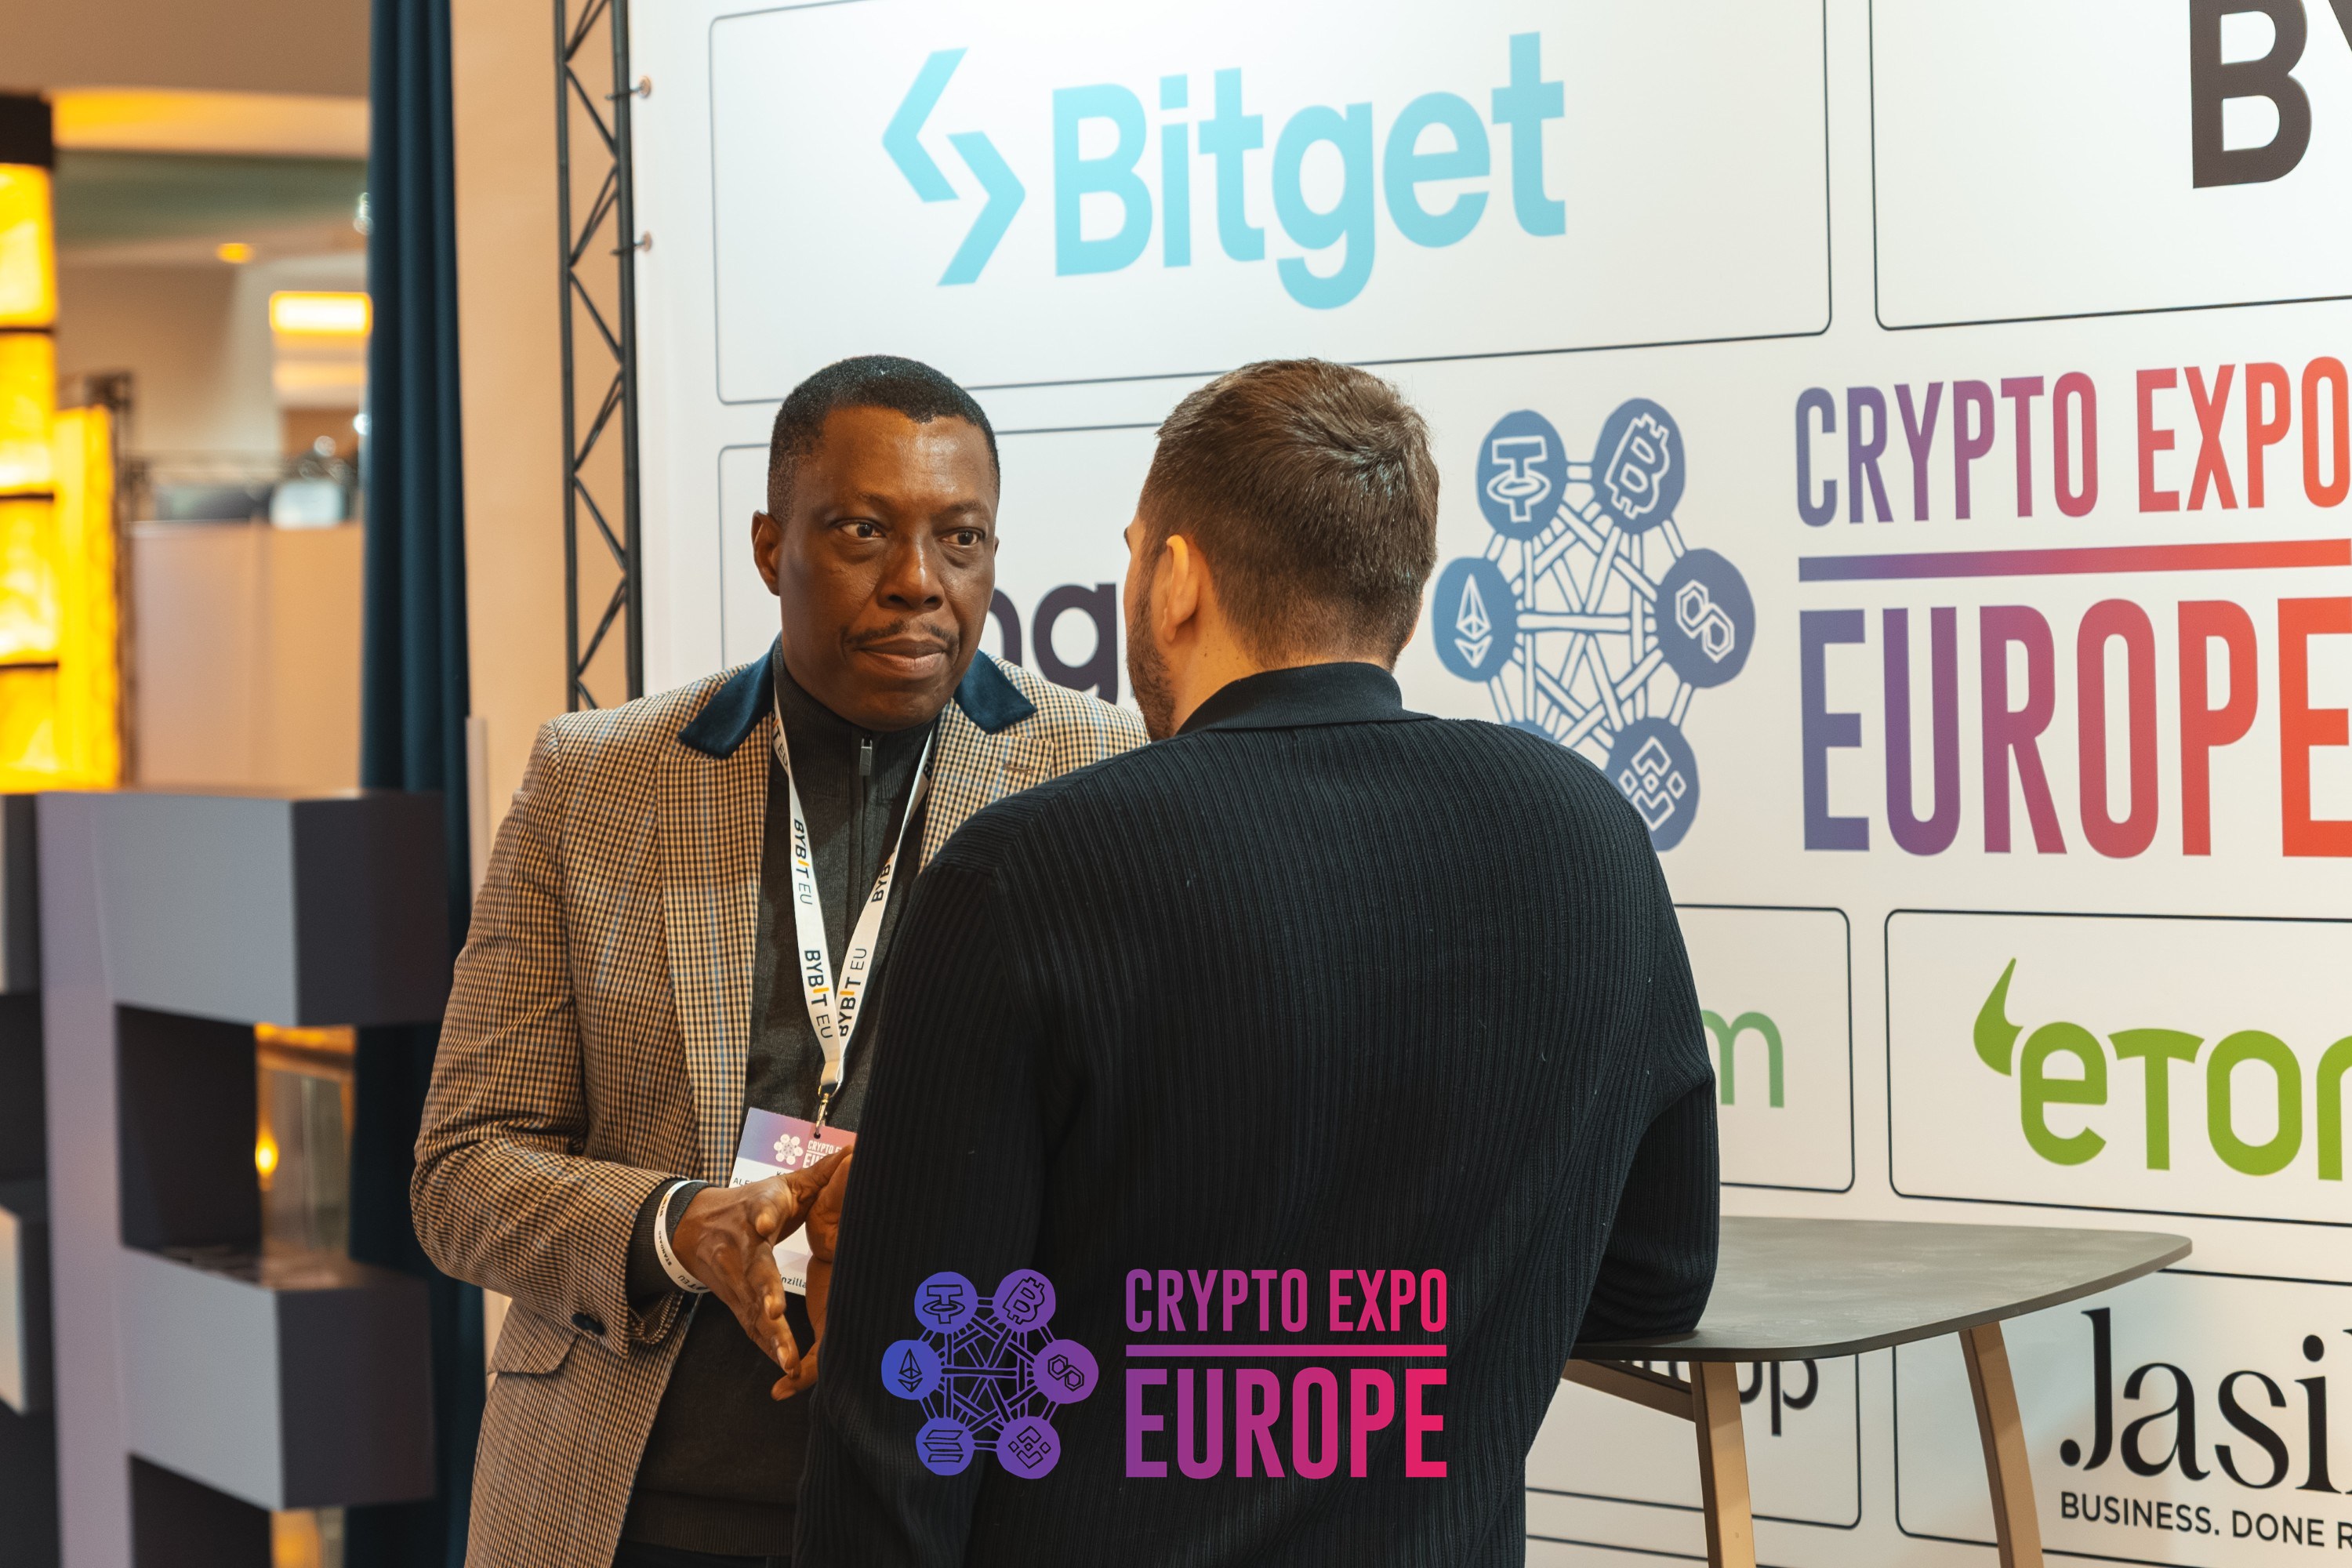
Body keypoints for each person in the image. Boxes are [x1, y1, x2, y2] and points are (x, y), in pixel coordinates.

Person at [793, 359, 1719, 1565]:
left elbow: (916, 1422)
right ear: (1402, 602)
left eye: (1136, 555)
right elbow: (1656, 1279)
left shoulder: (1026, 876)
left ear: (1176, 579)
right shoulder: (1590, 838)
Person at [412, 355, 1147, 1568]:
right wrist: (675, 1226)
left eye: (961, 539)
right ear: (770, 547)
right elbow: (460, 1171)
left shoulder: (1103, 779)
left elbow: (1153, 1167)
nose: (919, 581)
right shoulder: (597, 782)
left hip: (960, 1498)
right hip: (631, 1504)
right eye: (864, 531)